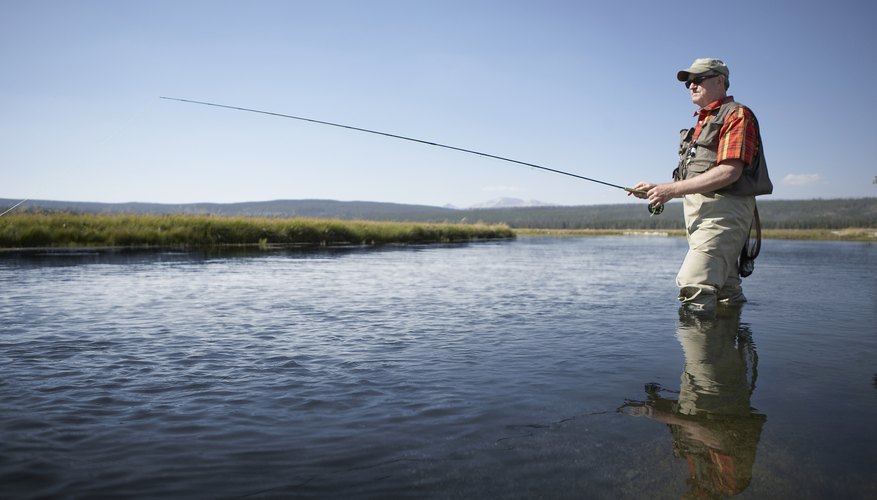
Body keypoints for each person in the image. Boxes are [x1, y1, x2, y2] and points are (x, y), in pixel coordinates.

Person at [631, 58, 772, 314]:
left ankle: (698, 355)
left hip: (724, 214)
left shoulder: (737, 114)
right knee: (726, 292)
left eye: (698, 79)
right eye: (688, 83)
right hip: (700, 218)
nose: (692, 86)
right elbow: (693, 176)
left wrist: (670, 190)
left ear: (720, 80)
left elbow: (730, 171)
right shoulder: (703, 122)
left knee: (694, 285)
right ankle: (727, 352)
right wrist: (658, 189)